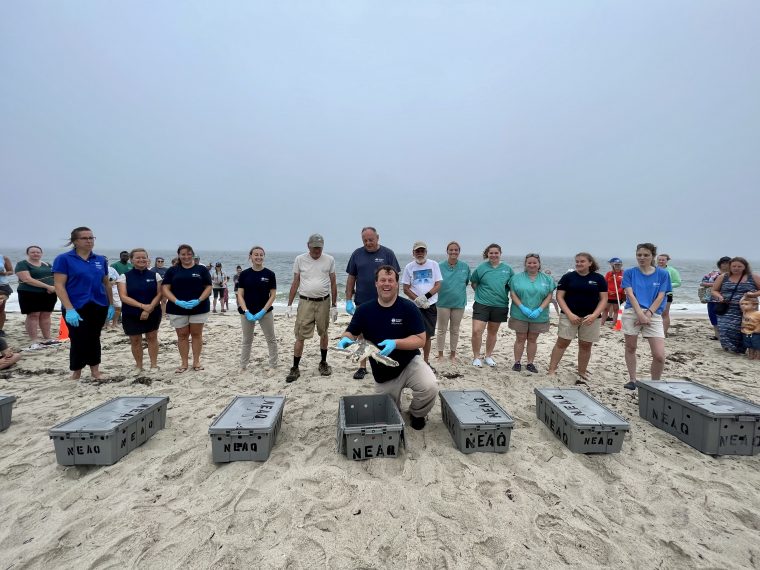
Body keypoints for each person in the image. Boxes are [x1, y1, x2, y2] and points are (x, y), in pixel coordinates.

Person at [337, 265, 439, 430]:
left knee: (430, 386)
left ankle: (417, 414)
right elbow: (351, 332)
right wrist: (345, 340)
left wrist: (396, 343)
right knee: (386, 414)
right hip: (383, 370)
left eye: (391, 280)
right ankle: (395, 409)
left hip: (409, 362)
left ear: (397, 284)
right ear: (376, 283)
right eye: (382, 280)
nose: (387, 284)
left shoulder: (409, 307)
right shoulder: (364, 310)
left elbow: (421, 340)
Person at [53, 227, 114, 381]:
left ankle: (95, 370)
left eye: (91, 238)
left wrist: (111, 305)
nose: (89, 241)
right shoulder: (64, 259)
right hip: (76, 306)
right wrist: (69, 308)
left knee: (94, 337)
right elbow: (59, 285)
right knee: (78, 338)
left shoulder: (100, 260)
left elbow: (106, 283)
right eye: (85, 238)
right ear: (75, 241)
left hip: (98, 304)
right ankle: (76, 371)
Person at [345, 226, 400, 379]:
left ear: (377, 238)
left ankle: (384, 361)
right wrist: (348, 299)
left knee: (385, 332)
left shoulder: (388, 253)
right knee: (362, 335)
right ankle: (362, 366)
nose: (368, 243)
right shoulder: (357, 254)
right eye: (365, 240)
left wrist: (397, 299)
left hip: (385, 301)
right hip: (362, 302)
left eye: (371, 240)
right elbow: (351, 278)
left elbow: (395, 278)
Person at [285, 233, 338, 383]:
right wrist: (289, 304)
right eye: (314, 247)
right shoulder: (300, 259)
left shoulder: (329, 259)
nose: (317, 251)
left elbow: (333, 282)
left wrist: (334, 305)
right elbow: (295, 281)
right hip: (305, 302)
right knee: (300, 334)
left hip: (323, 302)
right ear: (308, 246)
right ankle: (295, 367)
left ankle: (323, 362)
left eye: (319, 248)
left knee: (324, 332)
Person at [547, 252, 608, 381]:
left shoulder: (599, 278)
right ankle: (552, 369)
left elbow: (604, 299)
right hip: (569, 315)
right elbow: (559, 296)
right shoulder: (568, 277)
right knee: (562, 342)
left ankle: (582, 371)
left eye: (582, 261)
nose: (579, 264)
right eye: (577, 261)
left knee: (586, 345)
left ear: (590, 263)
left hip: (591, 317)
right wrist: (569, 314)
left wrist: (594, 315)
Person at [619, 243, 671, 390]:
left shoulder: (662, 274)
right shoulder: (630, 273)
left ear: (652, 256)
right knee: (631, 347)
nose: (642, 258)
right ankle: (633, 379)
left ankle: (655, 384)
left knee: (659, 355)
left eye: (646, 255)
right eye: (639, 255)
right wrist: (640, 314)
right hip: (632, 312)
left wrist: (647, 314)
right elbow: (630, 294)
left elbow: (661, 296)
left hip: (653, 314)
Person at [162, 244, 213, 372]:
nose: (186, 256)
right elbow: (165, 288)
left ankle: (196, 362)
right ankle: (184, 363)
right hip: (177, 308)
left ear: (193, 254)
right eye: (183, 254)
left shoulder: (201, 270)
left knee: (197, 334)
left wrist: (199, 300)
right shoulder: (172, 270)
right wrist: (177, 301)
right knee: (182, 336)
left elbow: (208, 287)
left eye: (189, 253)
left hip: (199, 307)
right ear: (179, 255)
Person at [116, 248, 163, 372]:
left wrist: (149, 309)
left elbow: (159, 294)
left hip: (153, 311)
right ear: (132, 260)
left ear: (148, 260)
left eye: (144, 257)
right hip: (131, 313)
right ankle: (139, 365)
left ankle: (154, 365)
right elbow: (123, 297)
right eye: (138, 258)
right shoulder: (124, 277)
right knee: (135, 340)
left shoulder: (155, 275)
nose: (141, 260)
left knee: (152, 337)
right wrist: (142, 307)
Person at [508, 254, 555, 373]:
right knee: (520, 338)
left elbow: (549, 296)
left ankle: (530, 363)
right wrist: (522, 307)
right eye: (529, 263)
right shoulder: (516, 278)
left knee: (533, 339)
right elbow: (513, 294)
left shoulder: (547, 279)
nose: (532, 265)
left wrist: (539, 309)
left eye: (535, 263)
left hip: (539, 314)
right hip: (520, 313)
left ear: (539, 264)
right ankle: (517, 362)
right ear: (525, 264)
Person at [470, 244, 513, 367]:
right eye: (491, 253)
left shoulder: (508, 269)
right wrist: (481, 294)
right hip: (481, 303)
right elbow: (473, 283)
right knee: (477, 331)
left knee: (492, 332)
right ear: (487, 254)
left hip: (500, 304)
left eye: (496, 253)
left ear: (500, 253)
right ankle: (476, 357)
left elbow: (512, 285)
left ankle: (488, 356)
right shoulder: (481, 268)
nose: (493, 255)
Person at [401, 241, 442, 366]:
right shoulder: (409, 267)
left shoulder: (434, 264)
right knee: (413, 334)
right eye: (417, 251)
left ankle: (426, 360)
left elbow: (438, 284)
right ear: (413, 253)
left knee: (428, 335)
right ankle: (414, 360)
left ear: (426, 252)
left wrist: (425, 298)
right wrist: (417, 299)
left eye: (422, 251)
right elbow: (405, 288)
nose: (420, 253)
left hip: (430, 306)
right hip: (414, 307)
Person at [237, 246, 278, 370]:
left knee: (271, 339)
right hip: (247, 312)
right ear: (250, 257)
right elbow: (240, 294)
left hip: (265, 312)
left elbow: (273, 295)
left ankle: (273, 365)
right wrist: (246, 311)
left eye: (261, 255)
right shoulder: (244, 274)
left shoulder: (270, 274)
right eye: (256, 255)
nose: (259, 257)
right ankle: (243, 366)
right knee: (247, 341)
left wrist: (263, 310)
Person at [712, 257, 760, 354]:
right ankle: (729, 348)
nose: (736, 268)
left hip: (747, 309)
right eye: (734, 266)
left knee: (743, 329)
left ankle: (741, 349)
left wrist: (753, 294)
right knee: (724, 328)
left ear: (745, 267)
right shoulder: (723, 277)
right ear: (730, 266)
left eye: (739, 266)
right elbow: (714, 290)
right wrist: (720, 297)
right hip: (726, 308)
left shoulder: (753, 277)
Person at [14, 246, 58, 349]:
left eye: (38, 252)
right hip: (29, 293)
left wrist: (54, 287)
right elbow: (26, 279)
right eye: (32, 252)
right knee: (33, 315)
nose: (35, 254)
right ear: (28, 253)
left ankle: (47, 338)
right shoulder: (22, 264)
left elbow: (55, 276)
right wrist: (47, 286)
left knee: (46, 315)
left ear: (41, 253)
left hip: (48, 293)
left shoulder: (47, 264)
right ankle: (34, 340)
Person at [436, 241, 471, 362]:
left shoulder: (464, 266)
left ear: (459, 252)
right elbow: (435, 283)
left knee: (455, 330)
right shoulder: (439, 266)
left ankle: (453, 355)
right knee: (441, 330)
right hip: (442, 303)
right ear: (447, 251)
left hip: (458, 303)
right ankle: (440, 355)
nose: (453, 252)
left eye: (456, 250)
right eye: (451, 250)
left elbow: (466, 282)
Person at [657, 254, 681, 336]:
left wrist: (666, 285)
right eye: (659, 259)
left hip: (667, 294)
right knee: (653, 313)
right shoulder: (653, 269)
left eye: (663, 260)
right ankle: (654, 332)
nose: (661, 261)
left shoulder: (672, 270)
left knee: (664, 313)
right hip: (653, 295)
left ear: (667, 261)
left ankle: (664, 332)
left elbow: (678, 283)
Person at [604, 257, 625, 327]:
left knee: (616, 310)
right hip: (608, 295)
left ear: (621, 265)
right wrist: (608, 291)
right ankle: (601, 323)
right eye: (616, 265)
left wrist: (617, 292)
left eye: (619, 265)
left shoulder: (623, 274)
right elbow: (604, 283)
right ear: (613, 265)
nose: (617, 266)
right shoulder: (609, 274)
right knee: (605, 309)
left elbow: (624, 285)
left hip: (617, 296)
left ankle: (614, 324)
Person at [740, 295, 760, 360]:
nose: (743, 305)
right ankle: (750, 356)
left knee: (757, 346)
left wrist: (758, 329)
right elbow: (740, 302)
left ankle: (757, 357)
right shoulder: (745, 312)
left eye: (746, 304)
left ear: (754, 306)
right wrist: (745, 296)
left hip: (755, 333)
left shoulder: (757, 313)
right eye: (742, 304)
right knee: (749, 345)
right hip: (746, 332)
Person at [0, 253, 13, 337]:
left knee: (0, 308)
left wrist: (4, 273)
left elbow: (11, 271)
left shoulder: (3, 258)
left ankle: (0, 330)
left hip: (2, 286)